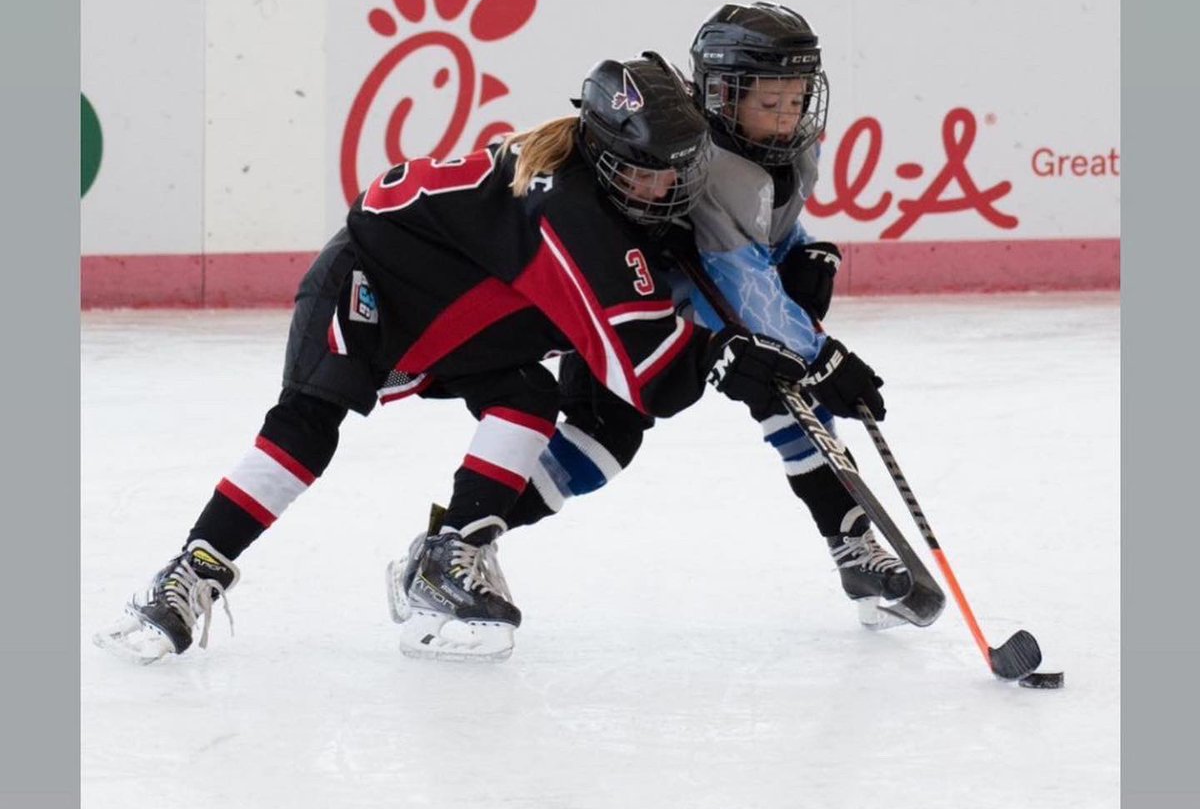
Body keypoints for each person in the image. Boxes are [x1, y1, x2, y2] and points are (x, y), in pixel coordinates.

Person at [94, 52, 825, 664]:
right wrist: (733, 353)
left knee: (531, 400)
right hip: (373, 286)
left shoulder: (608, 192)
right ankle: (190, 571)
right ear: (605, 161)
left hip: (465, 318)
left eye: (680, 169)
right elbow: (654, 381)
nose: (668, 188)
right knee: (307, 427)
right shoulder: (573, 214)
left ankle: (451, 555)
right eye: (648, 173)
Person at [393, 3, 909, 648]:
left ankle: (853, 545)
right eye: (768, 103)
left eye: (796, 99)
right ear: (721, 94)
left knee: (668, 426)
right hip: (628, 318)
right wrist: (822, 353)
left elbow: (761, 233)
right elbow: (741, 275)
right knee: (641, 432)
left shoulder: (784, 151)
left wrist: (803, 248)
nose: (786, 117)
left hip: (681, 321)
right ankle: (450, 546)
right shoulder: (712, 157)